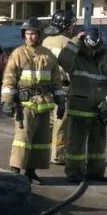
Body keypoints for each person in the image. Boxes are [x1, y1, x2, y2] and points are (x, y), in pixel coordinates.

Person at [0, 17, 64, 184]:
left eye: (33, 34)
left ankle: (31, 172)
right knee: (22, 138)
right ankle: (15, 171)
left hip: (44, 104)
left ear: (39, 35)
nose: (30, 37)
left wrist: (61, 100)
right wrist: (7, 100)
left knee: (40, 140)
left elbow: (56, 80)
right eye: (27, 34)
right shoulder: (18, 54)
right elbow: (9, 79)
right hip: (25, 104)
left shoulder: (48, 55)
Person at [57, 26, 107, 183]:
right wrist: (75, 42)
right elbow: (63, 60)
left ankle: (96, 172)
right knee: (75, 145)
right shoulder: (76, 59)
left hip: (100, 109)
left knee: (98, 146)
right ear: (84, 43)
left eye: (96, 48)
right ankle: (74, 173)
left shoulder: (105, 59)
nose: (92, 51)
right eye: (89, 47)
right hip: (79, 109)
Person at [42, 9, 76, 165]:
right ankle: (58, 155)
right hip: (62, 87)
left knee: (47, 122)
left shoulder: (46, 41)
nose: (73, 27)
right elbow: (72, 67)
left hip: (45, 86)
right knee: (61, 121)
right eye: (72, 24)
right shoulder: (69, 43)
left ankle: (42, 151)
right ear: (66, 25)